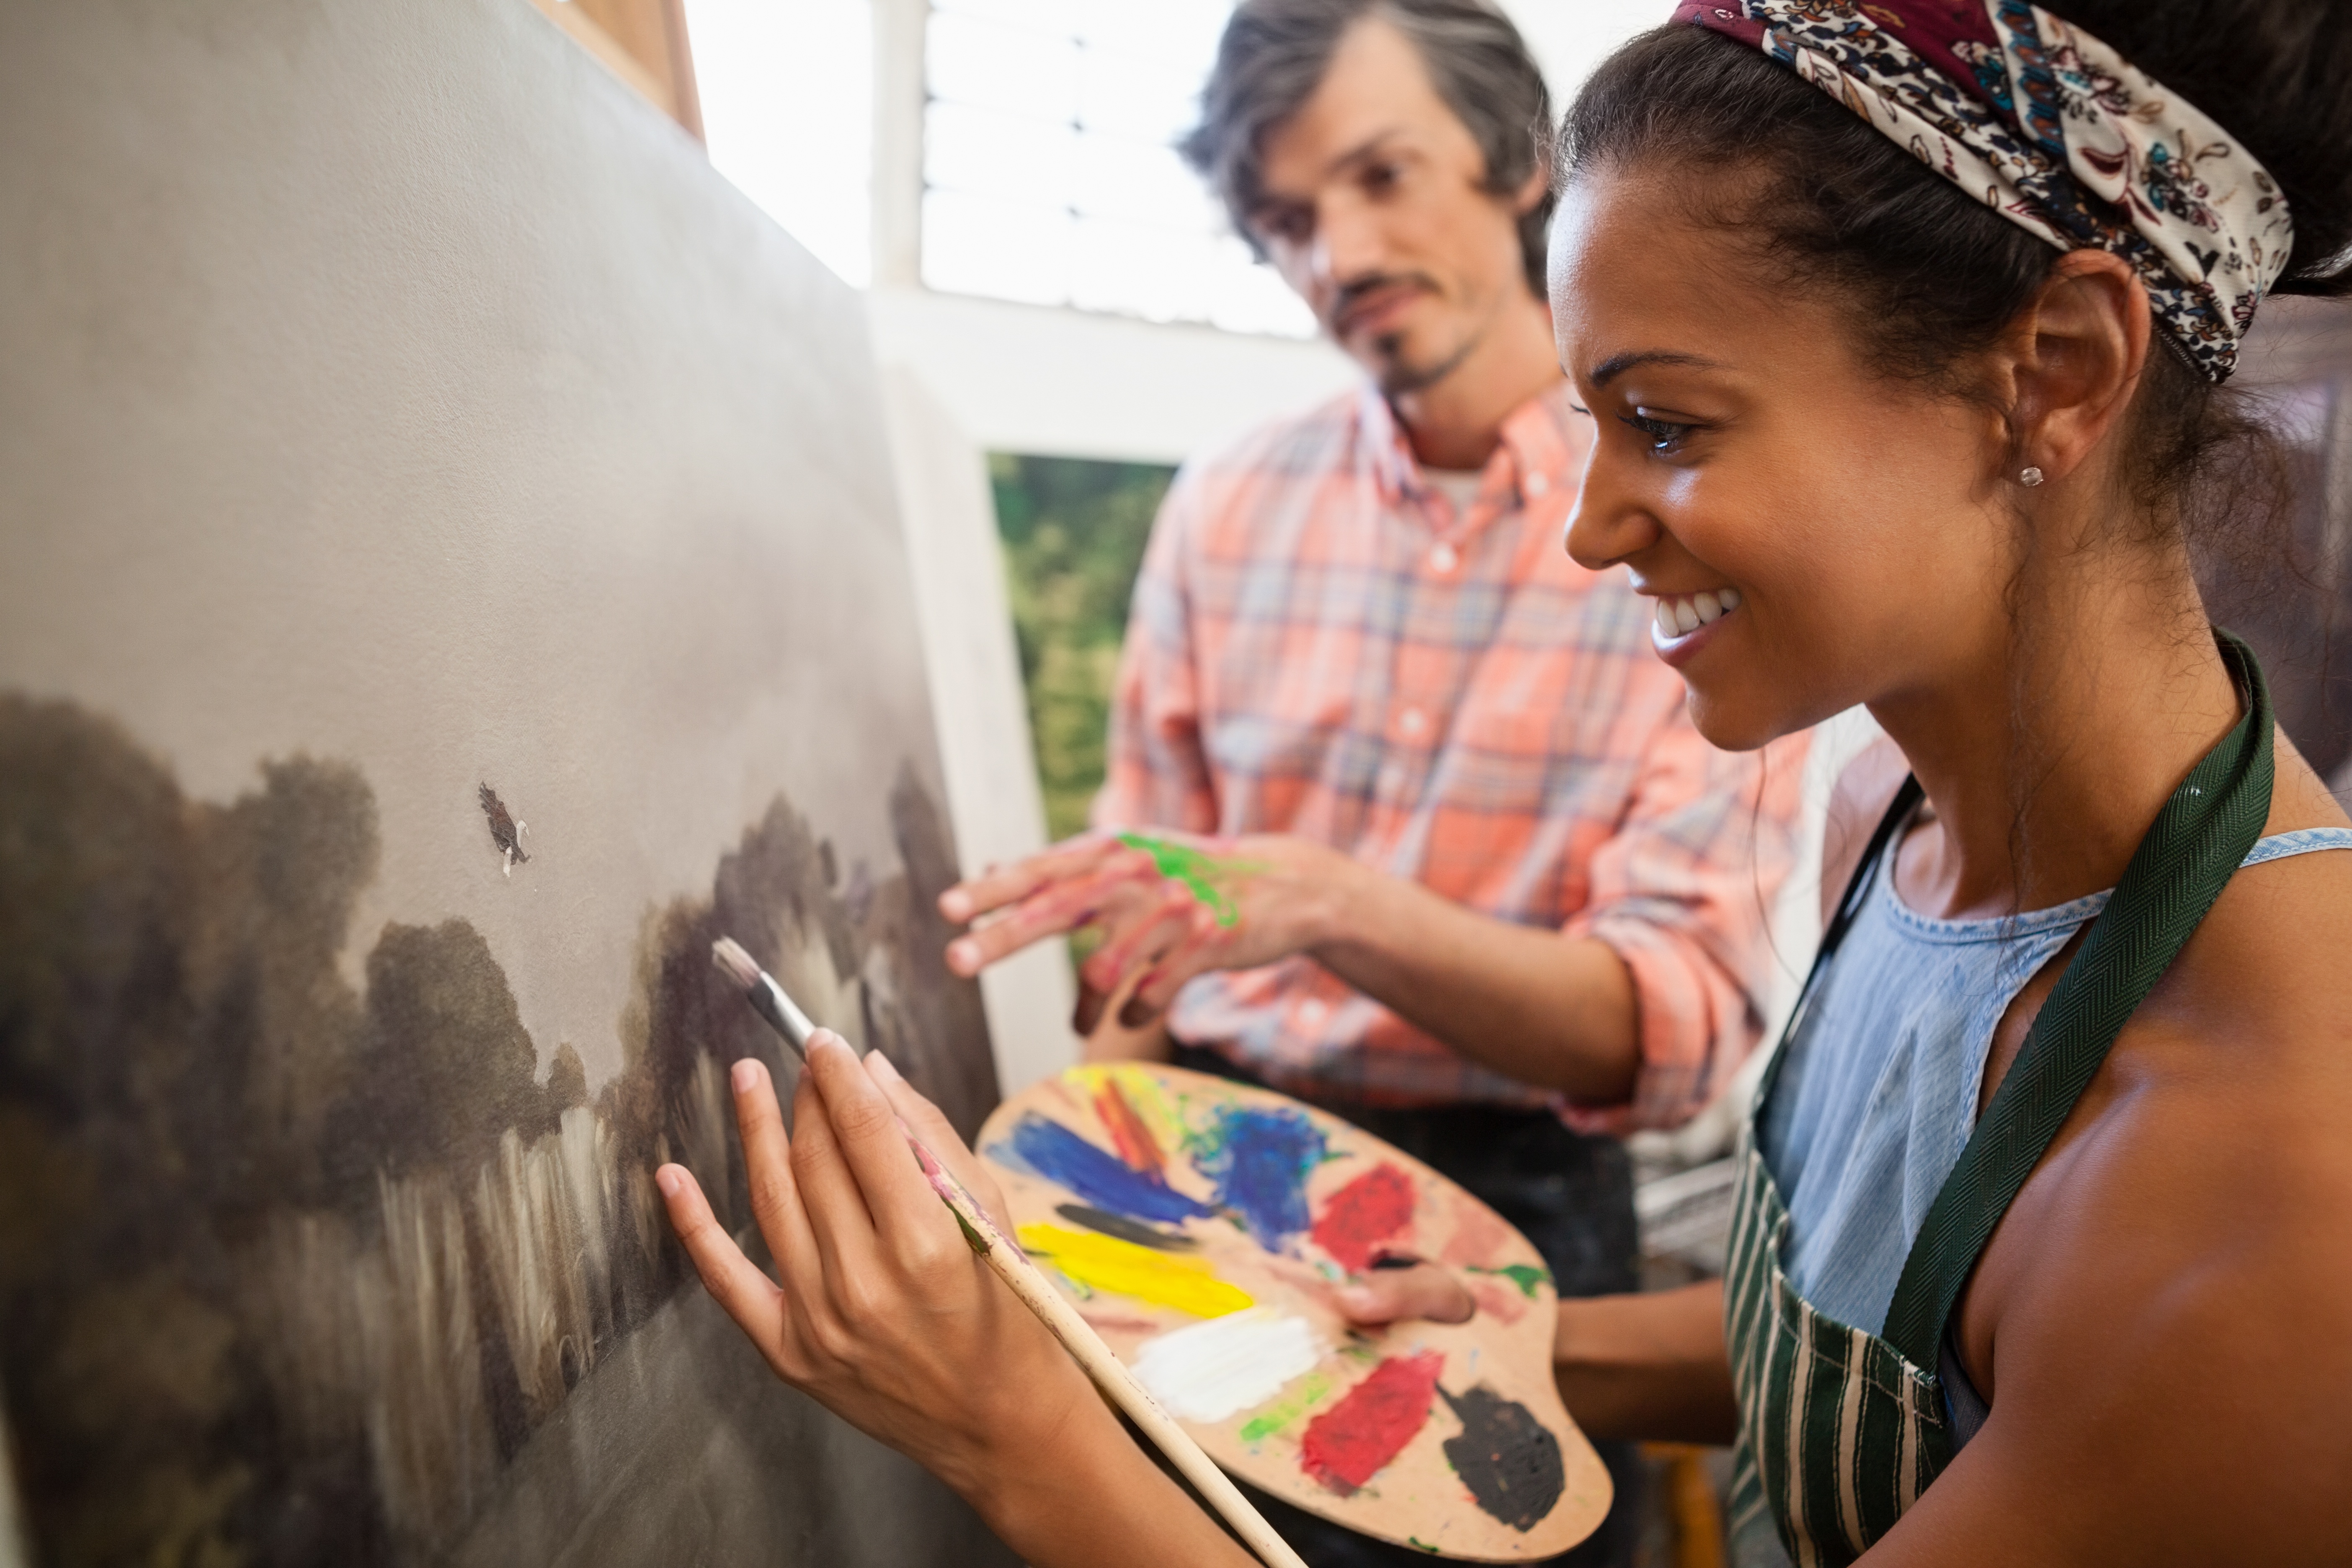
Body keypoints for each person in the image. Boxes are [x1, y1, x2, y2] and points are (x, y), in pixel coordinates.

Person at [655, 0, 2352, 1564]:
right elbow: (1864, 1328)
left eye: (1670, 426)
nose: (1588, 522)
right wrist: (1531, 1342)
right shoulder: (1890, 821)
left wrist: (1023, 1438)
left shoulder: (2274, 1189)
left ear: (2051, 368)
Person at [938, 7, 1807, 1556]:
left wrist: (1335, 908)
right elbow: (1153, 918)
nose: (1336, 253)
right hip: (1196, 1159)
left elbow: (1662, 1033)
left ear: (1520, 165)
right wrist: (1077, 1151)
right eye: (1283, 220)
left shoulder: (1684, 520)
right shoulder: (1229, 508)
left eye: (1379, 176)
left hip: (1513, 1204)